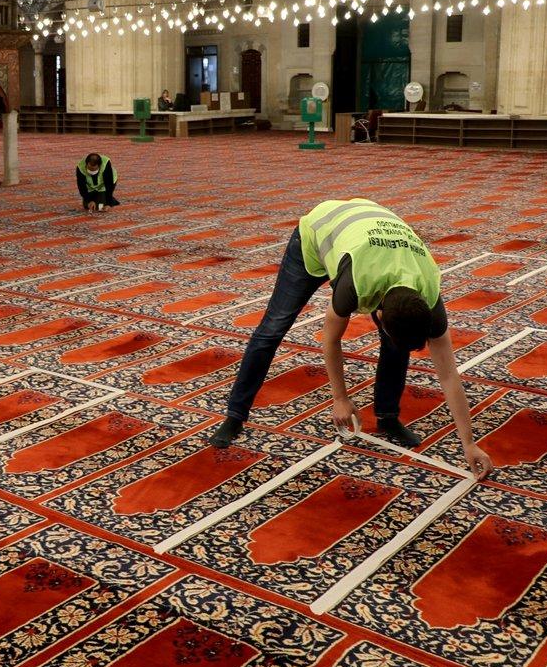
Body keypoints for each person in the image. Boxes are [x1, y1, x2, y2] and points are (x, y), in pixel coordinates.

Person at [209, 197, 493, 480]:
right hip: (319, 231)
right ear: (379, 317)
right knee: (273, 327)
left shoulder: (429, 293)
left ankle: (388, 417)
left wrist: (468, 443)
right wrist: (340, 398)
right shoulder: (355, 285)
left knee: (397, 344)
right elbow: (331, 340)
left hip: (371, 234)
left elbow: (448, 375)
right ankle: (235, 415)